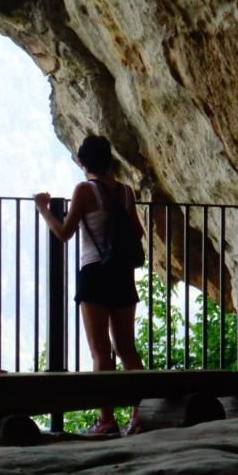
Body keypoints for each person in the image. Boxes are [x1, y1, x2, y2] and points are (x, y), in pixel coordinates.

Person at [34, 135, 145, 435]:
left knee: (100, 352)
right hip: (122, 273)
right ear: (109, 160)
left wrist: (44, 208)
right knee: (126, 348)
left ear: (83, 162)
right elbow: (137, 231)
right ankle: (141, 413)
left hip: (95, 273)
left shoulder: (84, 190)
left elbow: (64, 232)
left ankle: (106, 420)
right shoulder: (125, 192)